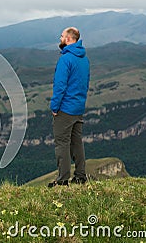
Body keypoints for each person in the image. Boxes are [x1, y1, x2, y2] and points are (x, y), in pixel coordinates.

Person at [48, 27, 90, 187]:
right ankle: (80, 176)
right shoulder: (84, 58)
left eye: (62, 36)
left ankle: (62, 180)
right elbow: (85, 83)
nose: (60, 38)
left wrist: (54, 106)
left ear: (68, 39)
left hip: (65, 108)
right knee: (77, 142)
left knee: (62, 143)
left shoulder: (66, 59)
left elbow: (60, 86)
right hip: (78, 107)